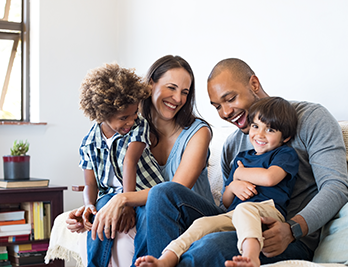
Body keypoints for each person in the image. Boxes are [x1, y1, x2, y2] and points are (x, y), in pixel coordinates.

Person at [138, 58, 348, 266]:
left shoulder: (311, 118)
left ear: (254, 84)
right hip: (236, 220)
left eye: (230, 99)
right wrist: (232, 187)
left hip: (283, 235)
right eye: (217, 107)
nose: (226, 113)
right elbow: (227, 205)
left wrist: (292, 229)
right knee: (162, 192)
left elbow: (336, 187)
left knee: (209, 247)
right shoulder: (232, 146)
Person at [66, 55, 214, 267]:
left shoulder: (198, 133)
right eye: (171, 88)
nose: (178, 98)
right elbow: (108, 176)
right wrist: (90, 208)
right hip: (154, 208)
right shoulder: (130, 126)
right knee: (107, 209)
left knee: (156, 199)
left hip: (191, 214)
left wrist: (123, 199)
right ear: (150, 84)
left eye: (184, 92)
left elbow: (174, 191)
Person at [135, 96, 299, 267]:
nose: (260, 134)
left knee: (245, 208)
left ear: (285, 137)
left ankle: (251, 257)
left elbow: (270, 178)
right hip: (233, 214)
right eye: (255, 126)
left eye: (270, 130)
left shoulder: (284, 154)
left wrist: (240, 173)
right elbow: (226, 201)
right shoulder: (242, 157)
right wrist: (234, 184)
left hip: (268, 212)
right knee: (202, 223)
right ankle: (166, 259)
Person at [78, 63, 165, 267]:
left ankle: (142, 263)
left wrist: (127, 203)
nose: (131, 120)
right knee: (100, 216)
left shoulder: (138, 125)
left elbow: (130, 161)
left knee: (146, 217)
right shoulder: (89, 143)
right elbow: (90, 184)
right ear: (102, 114)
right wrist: (89, 205)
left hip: (145, 191)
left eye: (134, 113)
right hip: (110, 194)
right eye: (123, 117)